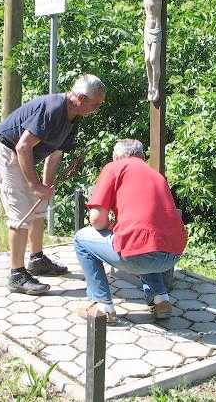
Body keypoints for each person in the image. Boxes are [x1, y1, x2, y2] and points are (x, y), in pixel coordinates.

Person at [0, 74, 106, 295]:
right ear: (80, 98)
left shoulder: (73, 117)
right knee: (21, 214)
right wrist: (33, 185)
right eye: (95, 104)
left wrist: (45, 186)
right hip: (5, 151)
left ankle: (37, 260)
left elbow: (55, 152)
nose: (97, 109)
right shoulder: (53, 109)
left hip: (21, 154)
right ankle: (16, 275)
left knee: (39, 208)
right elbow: (22, 147)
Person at [73, 139, 187, 324]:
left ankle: (102, 306)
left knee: (81, 239)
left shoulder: (114, 168)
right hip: (172, 255)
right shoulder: (156, 175)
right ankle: (161, 301)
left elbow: (96, 220)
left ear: (117, 156)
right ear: (142, 156)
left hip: (138, 255)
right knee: (146, 242)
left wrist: (109, 226)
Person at [125, 0, 190, 103]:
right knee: (147, 60)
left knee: (154, 59)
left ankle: (156, 87)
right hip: (146, 30)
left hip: (156, 30)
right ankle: (150, 86)